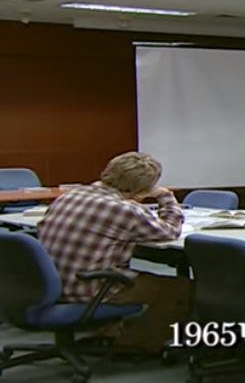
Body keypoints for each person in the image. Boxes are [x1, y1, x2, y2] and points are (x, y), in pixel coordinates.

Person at [37, 151, 190, 353]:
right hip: (88, 287)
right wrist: (166, 197)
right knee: (183, 290)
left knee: (119, 267)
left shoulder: (69, 196)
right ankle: (134, 344)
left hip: (50, 284)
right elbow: (169, 231)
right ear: (142, 189)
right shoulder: (124, 209)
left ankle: (107, 332)